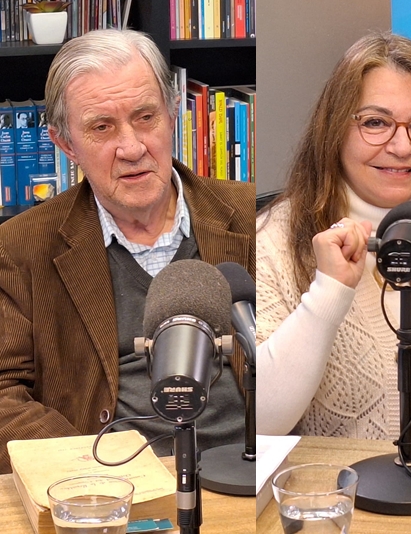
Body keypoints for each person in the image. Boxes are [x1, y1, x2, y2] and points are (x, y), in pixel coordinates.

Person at [0, 29, 254, 473]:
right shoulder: (20, 247)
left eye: (145, 117)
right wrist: (90, 470)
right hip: (112, 482)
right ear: (65, 144)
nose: (133, 148)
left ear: (172, 115)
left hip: (249, 470)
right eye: (102, 127)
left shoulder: (253, 217)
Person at [255, 32, 411, 446]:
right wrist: (328, 292)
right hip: (328, 485)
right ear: (334, 129)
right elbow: (263, 422)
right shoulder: (271, 243)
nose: (402, 146)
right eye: (375, 123)